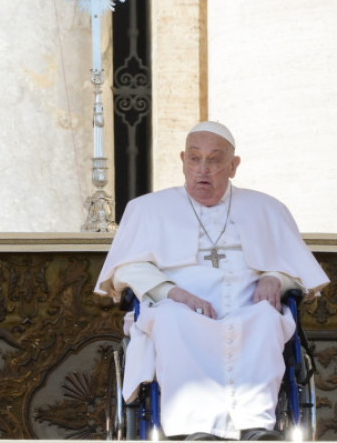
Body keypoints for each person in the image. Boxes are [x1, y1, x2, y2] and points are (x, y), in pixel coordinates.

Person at [96, 121, 328, 440]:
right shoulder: (147, 210)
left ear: (233, 166)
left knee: (267, 319)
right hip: (178, 310)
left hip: (250, 310)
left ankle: (255, 428)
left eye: (215, 160)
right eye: (194, 158)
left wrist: (276, 277)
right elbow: (124, 269)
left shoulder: (268, 209)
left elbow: (299, 269)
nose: (202, 169)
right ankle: (193, 430)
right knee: (169, 320)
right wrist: (172, 292)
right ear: (182, 160)